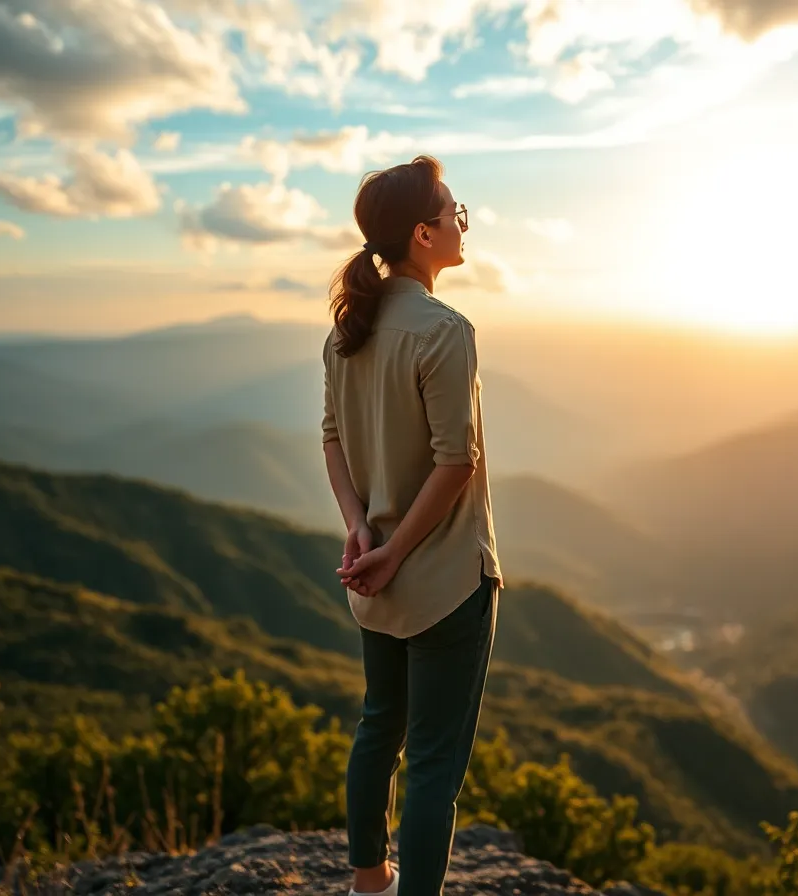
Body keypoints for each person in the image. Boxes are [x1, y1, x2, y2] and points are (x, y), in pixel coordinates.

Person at [320, 154, 503, 896]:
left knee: (378, 727)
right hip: (447, 578)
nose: (463, 225)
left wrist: (363, 532)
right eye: (455, 214)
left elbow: (331, 438)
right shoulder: (444, 331)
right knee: (432, 763)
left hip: (376, 577)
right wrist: (396, 551)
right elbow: (456, 461)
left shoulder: (347, 332)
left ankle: (370, 882)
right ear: (424, 235)